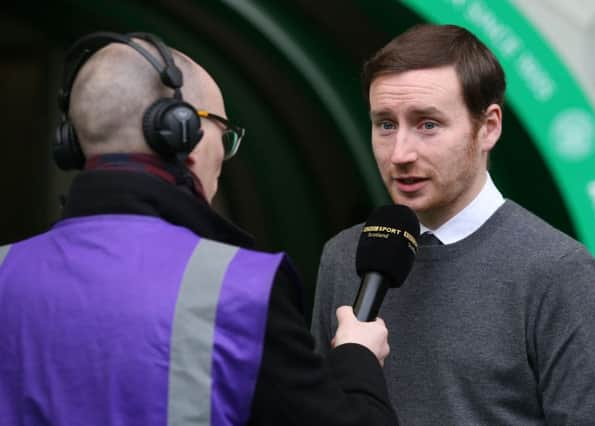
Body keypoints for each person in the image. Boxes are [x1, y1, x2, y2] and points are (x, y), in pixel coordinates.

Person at [0, 32, 398, 426]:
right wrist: (356, 357)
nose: (223, 157)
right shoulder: (240, 289)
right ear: (181, 132)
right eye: (223, 134)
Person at [311, 24, 595, 425]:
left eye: (428, 124)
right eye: (386, 124)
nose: (400, 153)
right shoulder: (345, 257)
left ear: (489, 127)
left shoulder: (558, 272)